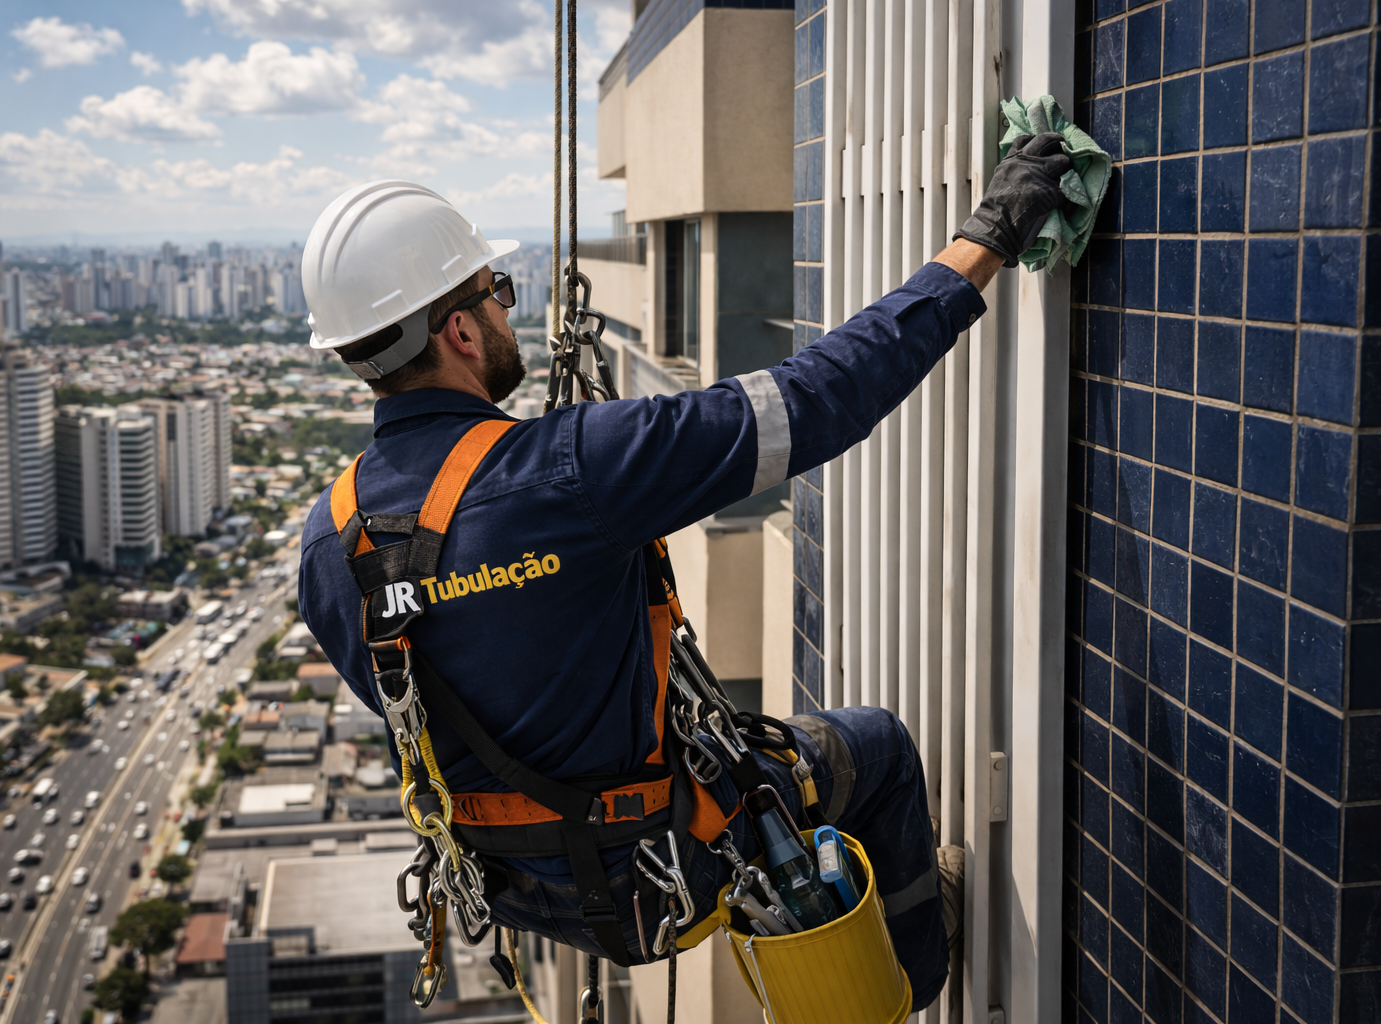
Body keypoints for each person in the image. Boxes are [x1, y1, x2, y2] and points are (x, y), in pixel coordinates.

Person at [299, 135, 1073, 1009]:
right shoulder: (571, 470)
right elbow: (817, 398)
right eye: (496, 293)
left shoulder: (328, 549)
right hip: (662, 864)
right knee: (878, 750)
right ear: (462, 330)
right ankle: (918, 974)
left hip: (518, 887)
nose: (508, 312)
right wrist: (988, 236)